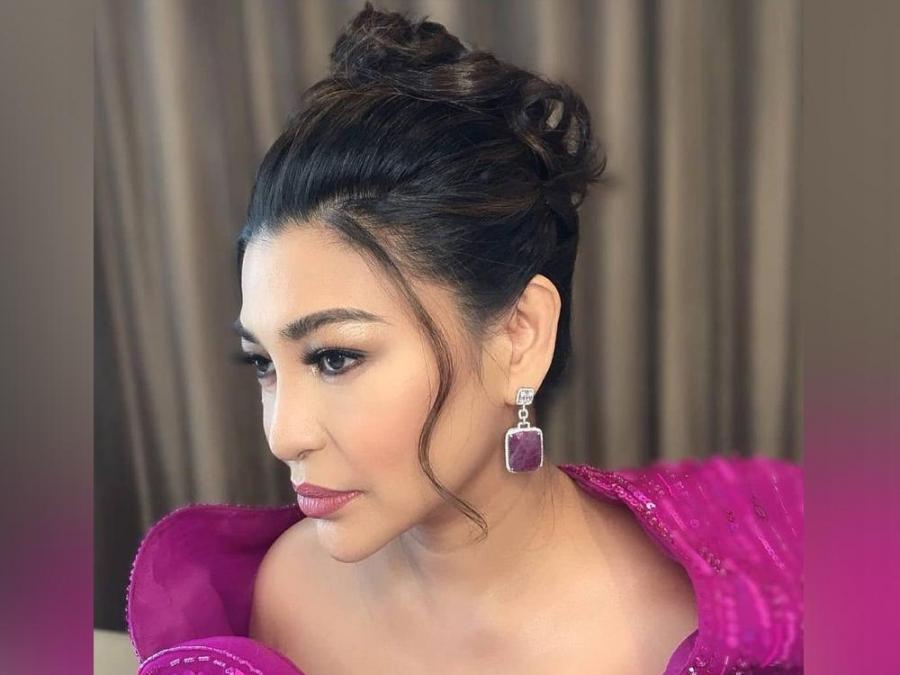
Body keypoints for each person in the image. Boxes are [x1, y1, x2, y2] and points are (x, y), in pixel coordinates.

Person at [125, 3, 803, 674]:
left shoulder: (709, 620)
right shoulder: (290, 596)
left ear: (518, 335)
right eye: (263, 363)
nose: (283, 435)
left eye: (335, 357)